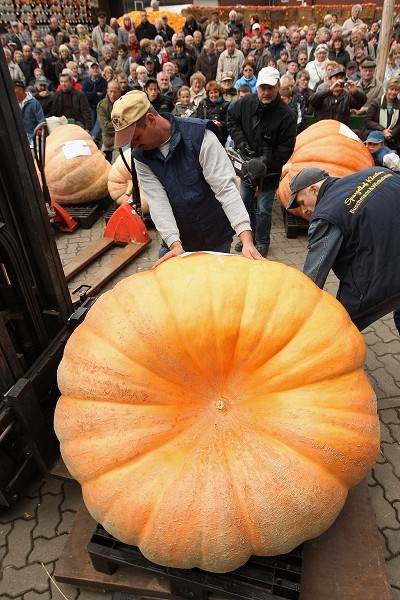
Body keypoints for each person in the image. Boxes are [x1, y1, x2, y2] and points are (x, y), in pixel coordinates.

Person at [111, 90, 263, 264]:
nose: (134, 146)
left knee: (215, 285)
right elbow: (157, 202)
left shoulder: (200, 136)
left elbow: (225, 188)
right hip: (180, 237)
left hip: (215, 233)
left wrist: (246, 240)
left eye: (136, 138)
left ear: (151, 120)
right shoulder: (140, 156)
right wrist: (174, 245)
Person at [286, 166, 400, 334]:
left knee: (338, 328)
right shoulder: (380, 172)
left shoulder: (327, 215)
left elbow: (313, 277)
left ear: (314, 189)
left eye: (302, 203)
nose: (303, 211)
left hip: (383, 278)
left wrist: (292, 317)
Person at [226, 66, 297, 257]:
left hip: (270, 170)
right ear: (257, 86)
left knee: (264, 209)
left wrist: (267, 164)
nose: (266, 92)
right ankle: (248, 239)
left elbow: (286, 148)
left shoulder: (286, 115)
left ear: (278, 87)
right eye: (262, 88)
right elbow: (231, 118)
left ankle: (263, 241)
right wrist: (240, 141)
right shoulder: (246, 102)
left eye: (270, 88)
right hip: (248, 164)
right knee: (245, 202)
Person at [361, 76, 400, 152]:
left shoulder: (399, 104)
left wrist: (391, 133)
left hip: (392, 138)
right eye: (391, 89)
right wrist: (383, 130)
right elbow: (368, 121)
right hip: (373, 135)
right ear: (387, 89)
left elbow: (399, 124)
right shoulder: (376, 103)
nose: (393, 92)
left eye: (396, 90)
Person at [196, 80, 230, 145]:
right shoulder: (203, 104)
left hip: (221, 133)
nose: (213, 95)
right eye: (211, 93)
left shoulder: (226, 104)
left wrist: (220, 123)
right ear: (208, 94)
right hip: (206, 132)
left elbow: (228, 121)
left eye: (216, 92)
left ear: (219, 93)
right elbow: (199, 119)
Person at [13, 80, 44, 147]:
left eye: (15, 92)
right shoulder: (13, 104)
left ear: (21, 90)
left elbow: (41, 122)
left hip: (33, 136)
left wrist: (38, 137)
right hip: (19, 137)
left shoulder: (34, 103)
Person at [97, 78, 121, 162]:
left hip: (123, 139)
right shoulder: (102, 106)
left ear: (119, 91)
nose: (112, 94)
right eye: (110, 91)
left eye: (115, 92)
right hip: (108, 140)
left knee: (119, 159)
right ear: (107, 91)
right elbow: (106, 128)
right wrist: (120, 122)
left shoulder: (124, 103)